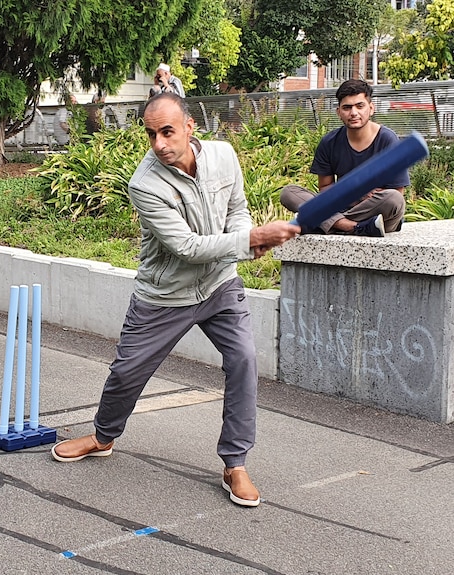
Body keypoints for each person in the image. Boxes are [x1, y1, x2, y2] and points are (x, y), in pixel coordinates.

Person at [50, 93, 301, 508]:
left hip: (219, 285)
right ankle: (102, 436)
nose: (159, 144)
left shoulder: (223, 156)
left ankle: (235, 463)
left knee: (244, 361)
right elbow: (186, 246)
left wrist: (244, 239)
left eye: (167, 131)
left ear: (189, 127)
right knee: (127, 372)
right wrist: (251, 240)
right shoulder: (145, 184)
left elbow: (237, 209)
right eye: (151, 135)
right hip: (165, 295)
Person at [280, 79, 408, 237]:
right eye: (347, 107)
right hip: (342, 207)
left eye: (360, 106)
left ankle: (324, 223)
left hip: (378, 215)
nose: (354, 113)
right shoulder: (330, 142)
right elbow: (325, 188)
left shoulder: (388, 140)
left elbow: (397, 192)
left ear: (371, 108)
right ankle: (353, 227)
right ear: (339, 112)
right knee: (289, 192)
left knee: (393, 199)